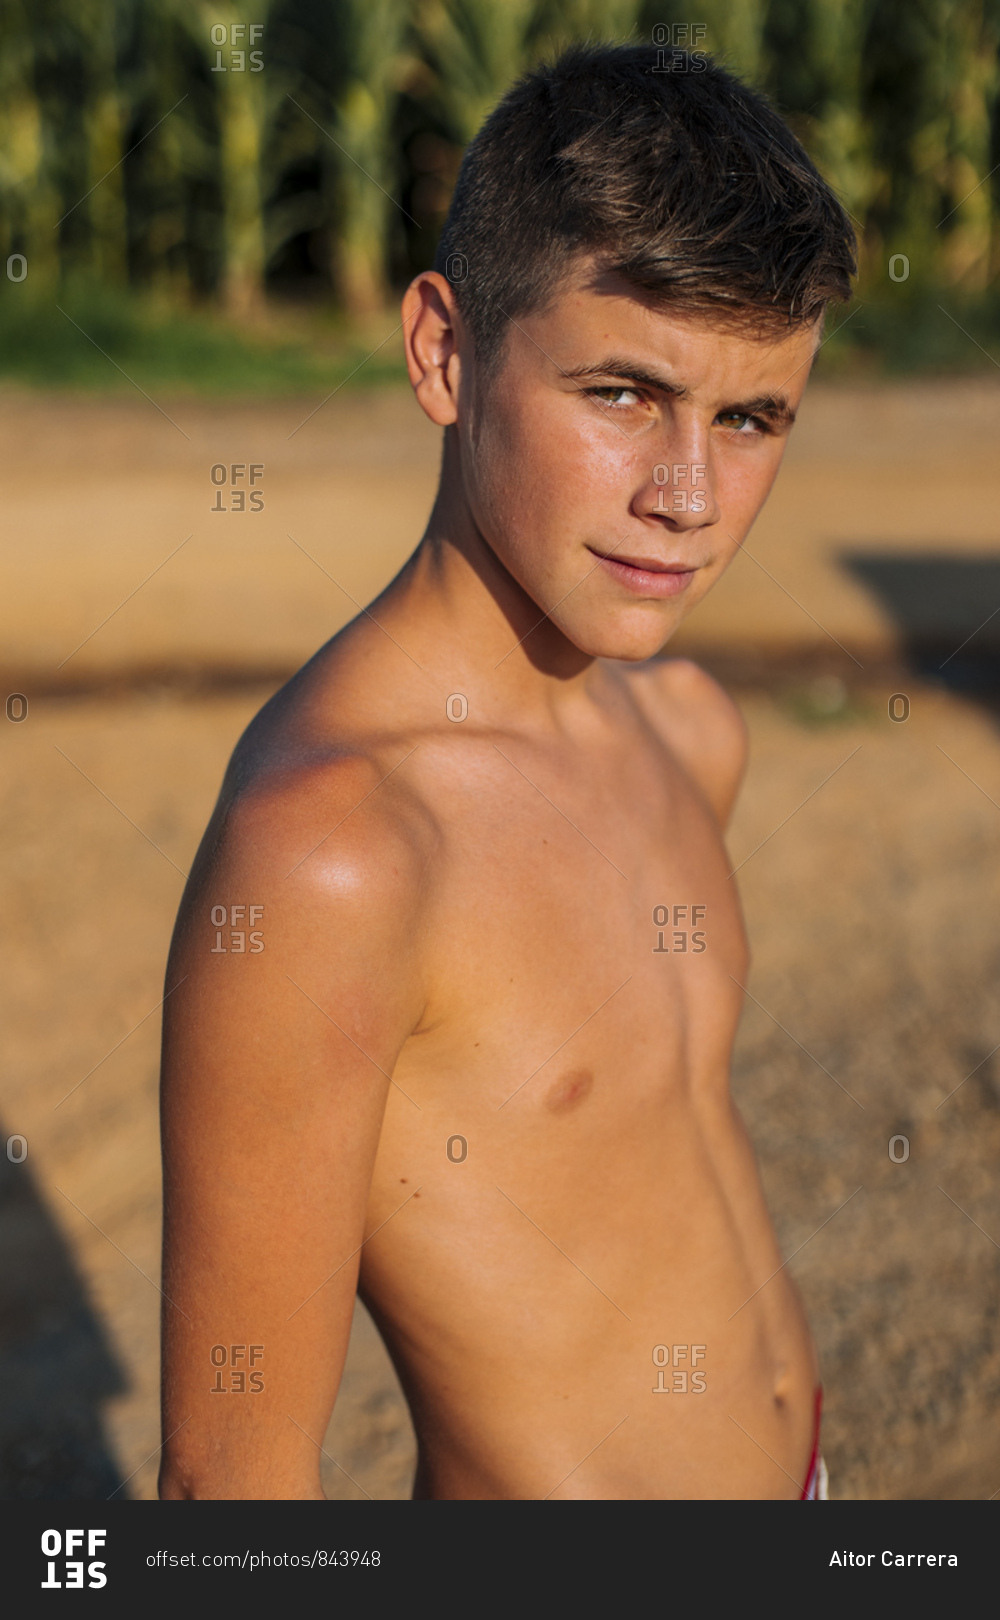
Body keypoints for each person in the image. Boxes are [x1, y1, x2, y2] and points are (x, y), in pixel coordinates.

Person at [159, 42, 855, 1500]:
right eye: (622, 394)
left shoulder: (684, 731)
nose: (690, 499)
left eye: (750, 419)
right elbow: (229, 1489)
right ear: (445, 351)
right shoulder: (334, 856)